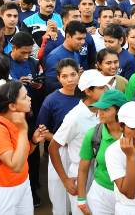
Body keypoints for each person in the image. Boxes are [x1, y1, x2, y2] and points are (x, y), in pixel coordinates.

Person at [49, 70, 111, 215]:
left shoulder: (103, 110)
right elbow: (53, 147)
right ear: (88, 91)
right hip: (80, 174)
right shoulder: (74, 117)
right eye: (101, 88)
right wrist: (65, 180)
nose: (106, 90)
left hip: (99, 171)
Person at [0, 81, 47, 215]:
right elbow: (16, 165)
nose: (30, 99)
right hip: (5, 189)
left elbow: (22, 155)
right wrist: (23, 131)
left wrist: (34, 142)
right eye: (25, 97)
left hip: (23, 183)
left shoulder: (15, 122)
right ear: (12, 106)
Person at [37, 58, 81, 215]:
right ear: (58, 78)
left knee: (82, 195)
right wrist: (61, 140)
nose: (69, 79)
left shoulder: (86, 96)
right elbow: (42, 130)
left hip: (83, 152)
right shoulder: (51, 100)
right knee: (60, 194)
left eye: (73, 74)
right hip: (60, 152)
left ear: (79, 74)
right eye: (64, 76)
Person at [77, 89, 127, 215]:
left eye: (106, 109)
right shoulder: (93, 134)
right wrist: (81, 199)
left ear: (119, 111)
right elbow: (83, 169)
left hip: (129, 196)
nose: (100, 113)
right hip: (100, 195)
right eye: (99, 109)